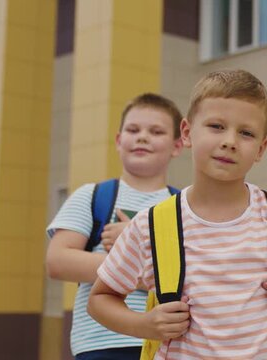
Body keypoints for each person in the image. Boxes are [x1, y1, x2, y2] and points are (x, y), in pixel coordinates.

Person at [87, 69, 267, 359]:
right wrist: (145, 324)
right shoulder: (152, 225)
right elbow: (101, 298)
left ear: (261, 149)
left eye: (246, 133)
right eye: (216, 126)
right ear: (187, 133)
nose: (230, 141)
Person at [46, 93, 184, 359]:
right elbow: (58, 260)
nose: (142, 137)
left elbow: (196, 275)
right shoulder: (93, 196)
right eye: (133, 130)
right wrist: (143, 265)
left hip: (170, 346)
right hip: (100, 345)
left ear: (177, 145)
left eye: (156, 131)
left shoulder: (184, 207)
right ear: (119, 141)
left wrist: (135, 242)